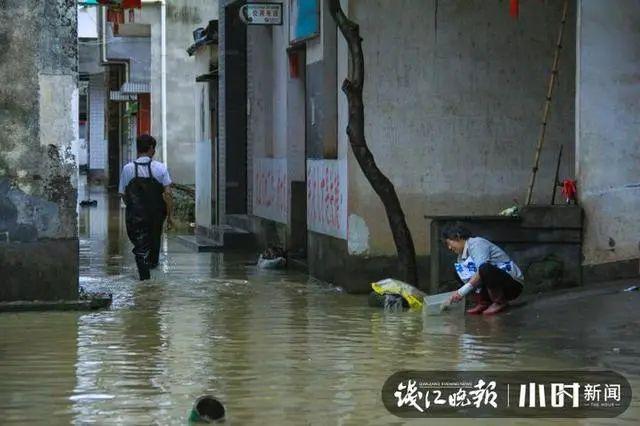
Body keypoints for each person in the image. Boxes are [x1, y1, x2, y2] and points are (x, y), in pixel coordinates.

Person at [118, 134, 174, 280]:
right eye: (154, 148)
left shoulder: (127, 169)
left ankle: (144, 283)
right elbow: (168, 195)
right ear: (151, 149)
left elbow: (123, 195)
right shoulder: (161, 168)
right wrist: (170, 216)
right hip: (156, 217)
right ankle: (152, 287)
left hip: (135, 217)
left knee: (140, 247)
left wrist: (133, 207)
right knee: (154, 244)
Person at [442, 223, 524, 315]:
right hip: (492, 284)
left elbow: (482, 271)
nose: (449, 247)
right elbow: (470, 279)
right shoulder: (461, 257)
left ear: (457, 236)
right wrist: (458, 293)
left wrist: (461, 292)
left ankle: (499, 302)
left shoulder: (477, 243)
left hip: (512, 285)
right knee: (459, 271)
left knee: (484, 268)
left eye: (449, 243)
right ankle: (483, 302)